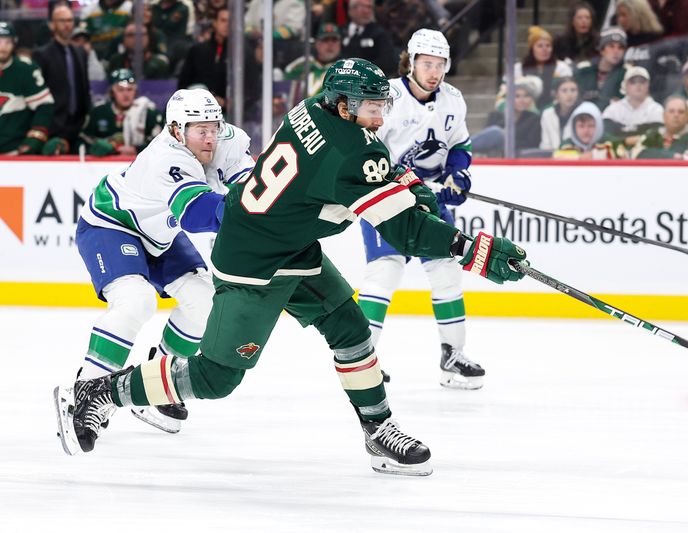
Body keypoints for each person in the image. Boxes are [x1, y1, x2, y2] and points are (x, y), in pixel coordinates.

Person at [54, 58, 529, 476]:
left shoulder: (310, 110)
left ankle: (379, 429)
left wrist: (403, 183)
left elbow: (352, 171)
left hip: (292, 247)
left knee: (351, 330)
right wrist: (478, 251)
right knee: (214, 378)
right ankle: (100, 392)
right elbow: (404, 232)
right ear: (343, 105)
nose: (380, 115)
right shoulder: (351, 152)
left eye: (382, 105)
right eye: (370, 107)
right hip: (252, 263)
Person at [62, 87, 253, 442]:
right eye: (200, 129)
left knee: (204, 303)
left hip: (159, 230)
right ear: (177, 130)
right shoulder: (166, 158)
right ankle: (84, 391)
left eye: (213, 126)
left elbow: (253, 185)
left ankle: (155, 385)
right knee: (137, 301)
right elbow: (198, 215)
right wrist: (256, 213)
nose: (210, 137)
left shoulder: (226, 138)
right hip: (112, 224)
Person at [358, 29, 484, 390]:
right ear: (411, 62)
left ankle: (453, 356)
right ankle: (361, 360)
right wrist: (405, 184)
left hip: (430, 203)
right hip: (386, 199)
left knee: (446, 271)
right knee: (384, 272)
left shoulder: (453, 100)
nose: (433, 71)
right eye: (426, 63)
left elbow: (460, 143)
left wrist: (458, 173)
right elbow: (367, 152)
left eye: (440, 64)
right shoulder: (388, 98)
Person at [32, 1, 91, 155]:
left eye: (70, 20)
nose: (67, 25)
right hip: (53, 127)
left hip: (77, 127)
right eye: (62, 21)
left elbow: (84, 88)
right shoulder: (41, 55)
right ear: (52, 25)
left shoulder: (80, 52)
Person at [80, 68, 165, 156]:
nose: (126, 94)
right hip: (102, 167)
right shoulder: (98, 112)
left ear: (135, 91)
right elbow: (81, 142)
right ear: (112, 92)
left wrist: (137, 150)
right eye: (120, 90)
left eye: (129, 89)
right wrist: (93, 148)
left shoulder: (148, 113)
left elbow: (161, 144)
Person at [0, 21, 55, 155]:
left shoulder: (26, 70)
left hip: (14, 151)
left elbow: (45, 106)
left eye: (8, 42)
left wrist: (36, 136)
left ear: (14, 43)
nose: (3, 47)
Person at [473, 76, 543, 156]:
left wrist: (505, 139)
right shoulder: (495, 116)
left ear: (531, 99)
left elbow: (532, 144)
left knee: (497, 133)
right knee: (496, 132)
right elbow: (485, 141)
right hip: (494, 156)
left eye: (526, 96)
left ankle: (460, 148)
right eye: (517, 96)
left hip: (518, 157)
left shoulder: (535, 119)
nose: (522, 100)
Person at [631, 95, 688, 159]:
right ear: (664, 116)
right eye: (671, 111)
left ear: (687, 117)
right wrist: (674, 156)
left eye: (681, 112)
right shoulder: (653, 135)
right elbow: (635, 153)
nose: (676, 115)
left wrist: (650, 154)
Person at [602, 65, 663, 142]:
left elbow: (658, 136)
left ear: (648, 85)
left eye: (642, 81)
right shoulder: (613, 109)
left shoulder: (656, 109)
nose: (638, 85)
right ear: (625, 85)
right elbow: (606, 134)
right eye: (633, 82)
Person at [517, 26, 572, 110]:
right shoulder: (518, 68)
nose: (545, 49)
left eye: (548, 46)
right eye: (540, 46)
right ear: (532, 49)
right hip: (525, 111)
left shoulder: (561, 68)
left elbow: (567, 93)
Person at [284, 22, 341, 102]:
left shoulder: (346, 68)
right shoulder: (300, 65)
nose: (330, 44)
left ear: (340, 43)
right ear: (317, 44)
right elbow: (286, 91)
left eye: (334, 40)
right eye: (326, 40)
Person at [574, 26, 628, 111]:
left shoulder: (627, 73)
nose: (616, 51)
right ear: (602, 50)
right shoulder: (583, 70)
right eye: (611, 46)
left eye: (620, 47)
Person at [341, 0, 398, 76]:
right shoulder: (340, 31)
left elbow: (388, 62)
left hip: (367, 79)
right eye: (363, 7)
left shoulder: (380, 34)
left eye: (369, 7)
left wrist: (359, 69)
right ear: (351, 10)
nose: (366, 11)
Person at [554, 101, 623, 159]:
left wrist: (594, 155)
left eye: (591, 126)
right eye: (581, 126)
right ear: (574, 127)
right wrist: (581, 157)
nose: (586, 131)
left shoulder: (610, 143)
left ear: (599, 126)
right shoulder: (566, 145)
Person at [540, 76, 581, 151]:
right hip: (552, 158)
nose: (569, 94)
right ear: (556, 94)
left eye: (573, 90)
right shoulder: (547, 114)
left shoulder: (583, 113)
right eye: (564, 91)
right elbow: (545, 144)